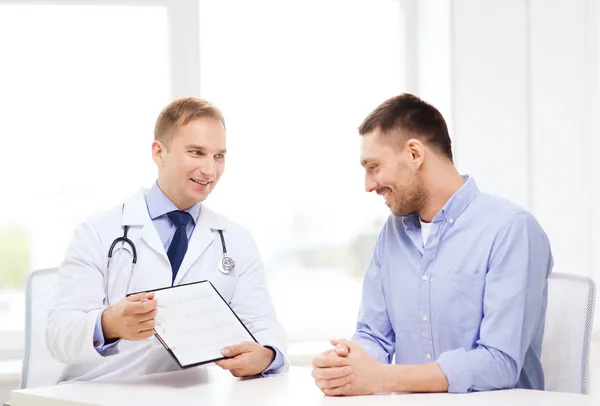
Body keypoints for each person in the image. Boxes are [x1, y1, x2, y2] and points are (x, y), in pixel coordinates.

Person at [311, 94, 553, 395]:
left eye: (373, 167)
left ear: (414, 153)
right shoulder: (392, 235)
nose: (368, 185)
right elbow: (375, 336)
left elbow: (498, 363)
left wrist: (382, 378)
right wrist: (346, 366)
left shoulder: (511, 229)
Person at [46, 97, 287, 382]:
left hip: (188, 395)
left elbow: (262, 324)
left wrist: (267, 355)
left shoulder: (236, 241)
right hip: (100, 390)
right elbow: (58, 334)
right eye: (196, 152)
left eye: (219, 156)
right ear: (159, 153)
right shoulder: (97, 232)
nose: (210, 170)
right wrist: (110, 324)